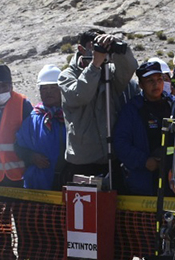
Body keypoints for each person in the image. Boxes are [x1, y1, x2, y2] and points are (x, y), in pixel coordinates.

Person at [59, 29, 137, 186]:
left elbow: (128, 70)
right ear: (81, 50)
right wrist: (95, 65)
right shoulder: (66, 76)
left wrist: (119, 48)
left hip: (110, 158)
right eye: (94, 47)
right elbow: (80, 95)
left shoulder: (108, 72)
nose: (98, 52)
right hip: (82, 161)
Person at [115, 61, 175, 195]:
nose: (156, 84)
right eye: (150, 80)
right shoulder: (132, 110)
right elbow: (121, 144)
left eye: (159, 79)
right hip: (144, 183)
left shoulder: (174, 105)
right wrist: (144, 161)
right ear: (140, 85)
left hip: (174, 182)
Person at [0, 64, 33, 188]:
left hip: (17, 175)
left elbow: (31, 138)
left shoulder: (23, 104)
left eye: (3, 86)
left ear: (11, 86)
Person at [15, 64, 65, 190]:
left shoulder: (70, 116)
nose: (48, 93)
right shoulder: (33, 118)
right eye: (44, 89)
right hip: (39, 183)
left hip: (67, 179)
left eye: (53, 88)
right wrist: (31, 157)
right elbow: (18, 146)